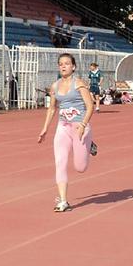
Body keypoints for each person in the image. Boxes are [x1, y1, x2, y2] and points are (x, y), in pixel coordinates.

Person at [37, 53, 97, 212]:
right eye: (61, 64)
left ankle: (89, 144)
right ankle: (63, 200)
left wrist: (84, 124)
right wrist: (45, 128)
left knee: (80, 167)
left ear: (73, 67)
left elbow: (90, 106)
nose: (63, 66)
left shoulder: (79, 84)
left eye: (67, 64)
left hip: (79, 128)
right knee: (60, 163)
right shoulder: (54, 86)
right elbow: (52, 109)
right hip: (62, 127)